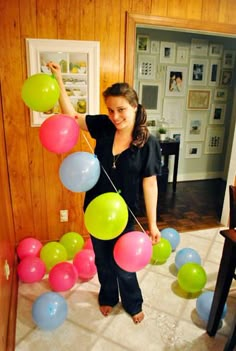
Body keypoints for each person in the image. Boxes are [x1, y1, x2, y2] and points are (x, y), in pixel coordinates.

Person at [47, 62, 162, 324]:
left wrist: (153, 224)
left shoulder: (148, 141)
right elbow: (70, 117)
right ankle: (108, 296)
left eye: (121, 109)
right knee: (102, 259)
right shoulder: (103, 126)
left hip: (125, 213)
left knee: (124, 263)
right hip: (96, 208)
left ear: (134, 106)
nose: (116, 116)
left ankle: (133, 302)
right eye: (111, 110)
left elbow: (150, 183)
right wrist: (58, 79)